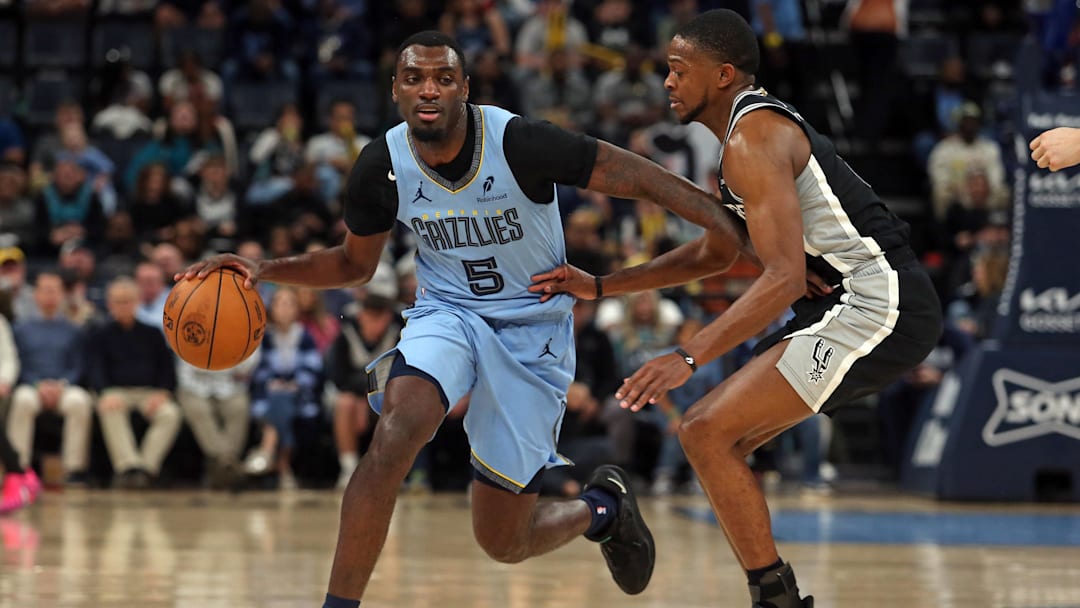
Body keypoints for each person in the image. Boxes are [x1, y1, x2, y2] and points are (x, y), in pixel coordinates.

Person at [178, 30, 751, 608]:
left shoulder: (519, 141)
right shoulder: (382, 164)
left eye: (443, 78)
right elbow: (353, 264)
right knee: (396, 432)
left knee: (504, 541)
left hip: (534, 328)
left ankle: (601, 509)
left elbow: (635, 176)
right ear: (396, 90)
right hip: (448, 313)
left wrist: (726, 222)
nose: (429, 89)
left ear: (464, 90)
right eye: (414, 78)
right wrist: (265, 267)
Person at [531, 10, 943, 608]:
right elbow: (717, 253)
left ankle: (776, 599)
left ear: (723, 75)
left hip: (880, 299)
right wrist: (601, 286)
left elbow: (780, 278)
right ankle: (773, 595)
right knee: (712, 440)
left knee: (704, 429)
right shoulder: (737, 145)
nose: (667, 82)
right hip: (849, 300)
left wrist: (687, 355)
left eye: (679, 70)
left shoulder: (753, 138)